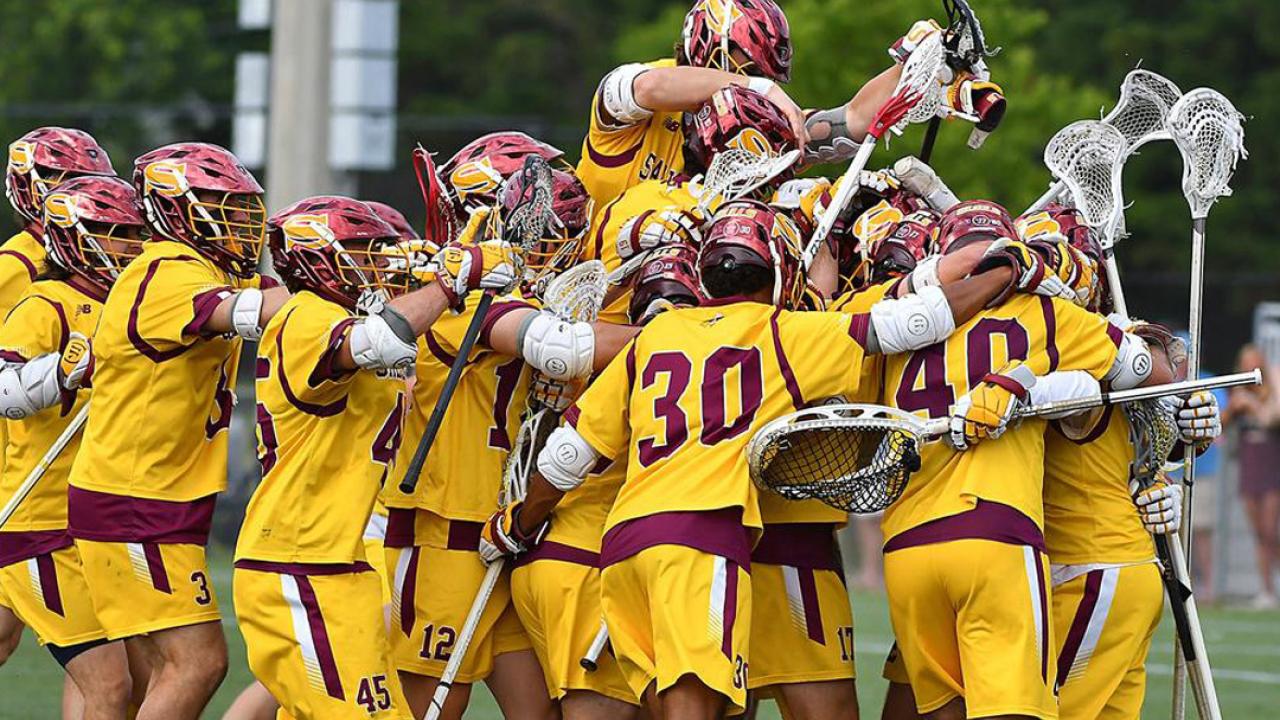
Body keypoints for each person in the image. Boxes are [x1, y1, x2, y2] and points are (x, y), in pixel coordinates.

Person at [483, 199, 1027, 719]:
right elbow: (916, 322)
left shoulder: (657, 335)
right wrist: (1003, 274)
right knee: (694, 704)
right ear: (776, 269)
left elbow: (566, 457)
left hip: (624, 547)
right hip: (703, 538)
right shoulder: (781, 332)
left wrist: (516, 523)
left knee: (669, 703)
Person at [875, 200, 1178, 720]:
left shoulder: (886, 321)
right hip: (1004, 535)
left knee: (940, 707)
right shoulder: (1051, 318)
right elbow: (1152, 374)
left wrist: (1170, 441)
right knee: (1016, 708)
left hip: (906, 544)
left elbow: (1163, 396)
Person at [232, 196, 518, 719]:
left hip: (338, 566)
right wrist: (451, 282)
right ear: (317, 256)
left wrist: (447, 269)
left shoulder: (333, 317)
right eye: (364, 252)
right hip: (299, 564)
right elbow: (380, 339)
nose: (378, 265)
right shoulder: (307, 315)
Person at [379, 164, 629, 720]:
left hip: (501, 534)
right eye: (540, 234)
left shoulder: (511, 290)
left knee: (539, 710)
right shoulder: (467, 295)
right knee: (429, 706)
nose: (549, 250)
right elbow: (561, 348)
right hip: (442, 535)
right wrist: (683, 336)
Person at [65, 142, 288, 719]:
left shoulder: (207, 269)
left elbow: (275, 294)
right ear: (176, 209)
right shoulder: (166, 272)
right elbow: (258, 312)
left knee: (153, 676)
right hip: (135, 498)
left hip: (155, 495)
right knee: (199, 661)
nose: (241, 219)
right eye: (220, 203)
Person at [0, 176, 146, 720]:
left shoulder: (131, 302)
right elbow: (4, 388)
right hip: (40, 523)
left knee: (123, 681)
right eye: (111, 233)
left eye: (133, 233)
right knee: (110, 686)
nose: (128, 245)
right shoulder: (46, 303)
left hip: (91, 520)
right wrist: (61, 372)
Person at [576, 0, 922, 215]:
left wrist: (914, 64)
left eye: (767, 77)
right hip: (592, 285)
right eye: (753, 71)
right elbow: (650, 87)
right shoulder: (634, 88)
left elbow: (851, 121)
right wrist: (758, 86)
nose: (766, 95)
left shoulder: (754, 116)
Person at [0, 127, 115, 677]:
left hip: (64, 469)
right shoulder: (17, 270)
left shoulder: (100, 264)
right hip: (22, 473)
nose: (78, 193)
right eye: (64, 183)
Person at [1225, 343, 1280, 609]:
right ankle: (1266, 589)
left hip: (1271, 463)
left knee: (1270, 530)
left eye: (1253, 363)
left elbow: (1271, 419)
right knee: (1258, 532)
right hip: (1249, 463)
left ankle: (1274, 580)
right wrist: (1233, 408)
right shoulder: (1238, 392)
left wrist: (1254, 404)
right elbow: (1221, 425)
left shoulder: (1272, 391)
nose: (1249, 368)